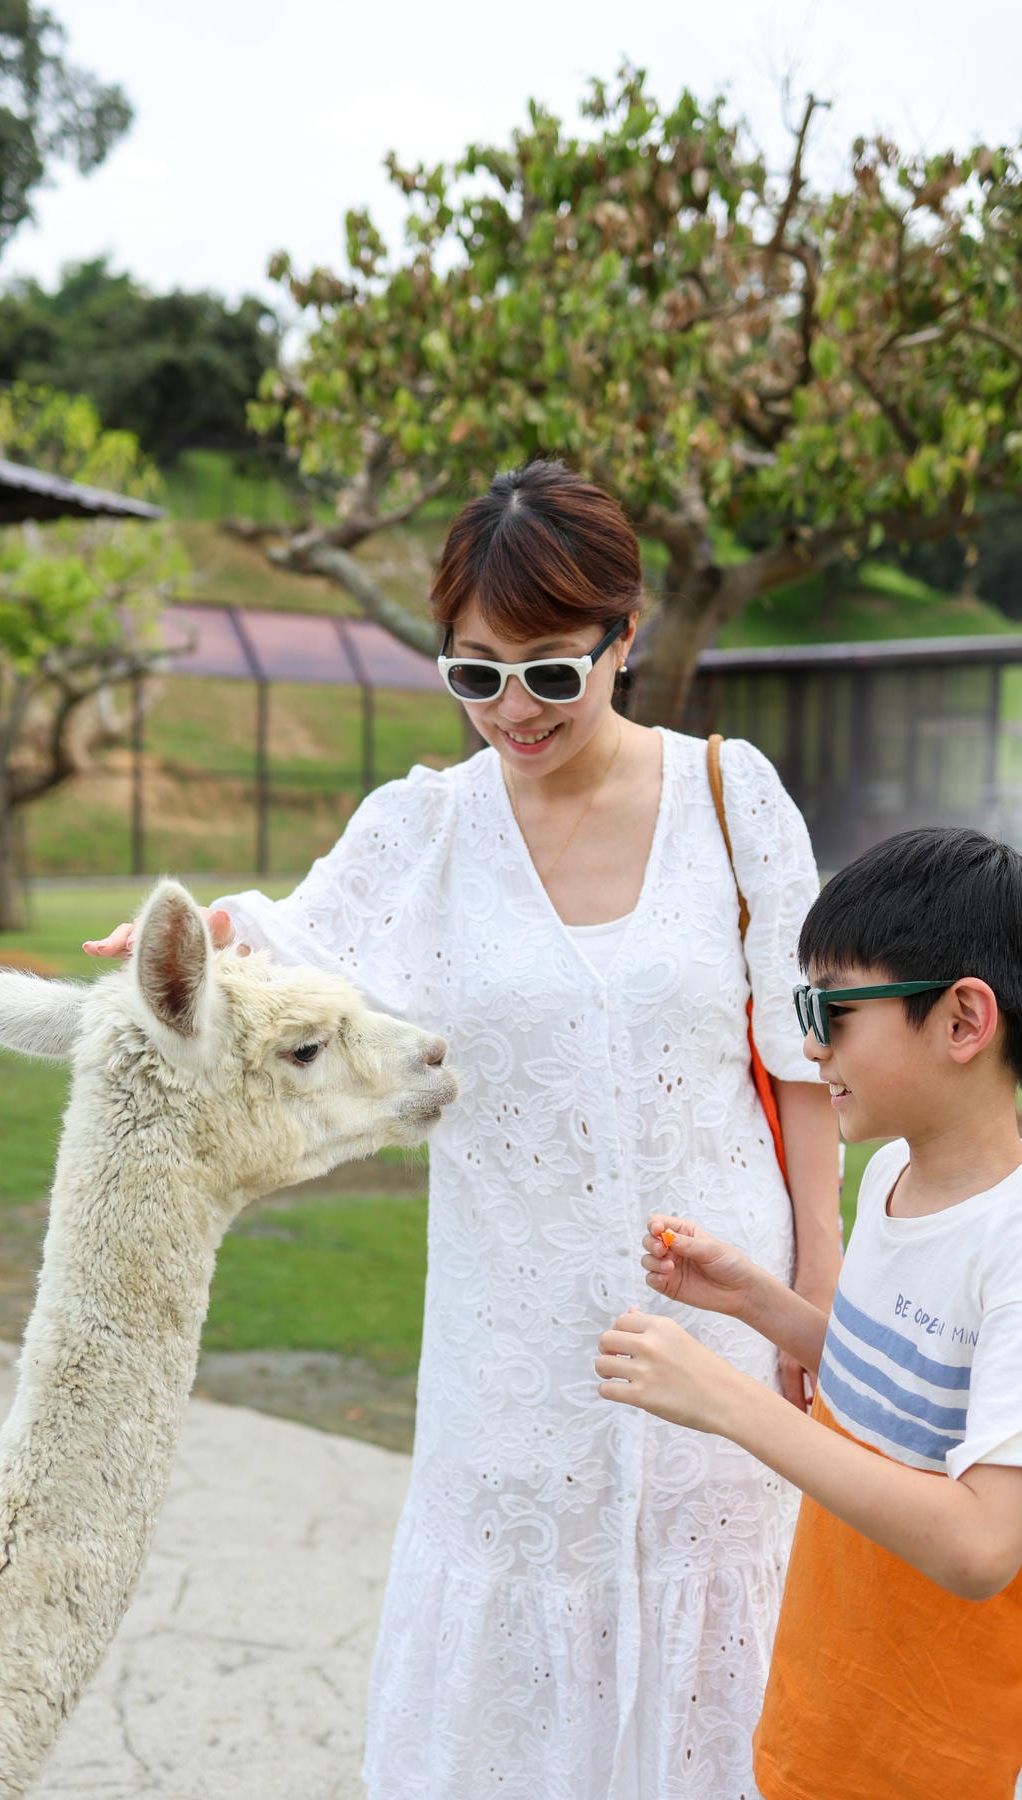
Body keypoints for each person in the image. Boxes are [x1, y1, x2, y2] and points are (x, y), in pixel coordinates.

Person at [85, 460, 840, 1799]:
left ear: (628, 635)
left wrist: (814, 1308)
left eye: (552, 671)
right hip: (517, 1352)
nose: (514, 711)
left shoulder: (734, 800)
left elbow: (804, 1071)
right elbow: (292, 961)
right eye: (475, 673)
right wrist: (196, 954)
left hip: (726, 1338)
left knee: (725, 1658)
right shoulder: (426, 828)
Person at [596, 825, 1022, 1800]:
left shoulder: (1013, 1249)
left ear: (963, 1021)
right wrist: (760, 1303)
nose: (810, 1044)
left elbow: (980, 1545)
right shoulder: (891, 1180)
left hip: (939, 1759)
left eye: (831, 1009)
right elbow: (895, 1405)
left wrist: (728, 1406)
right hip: (823, 1715)